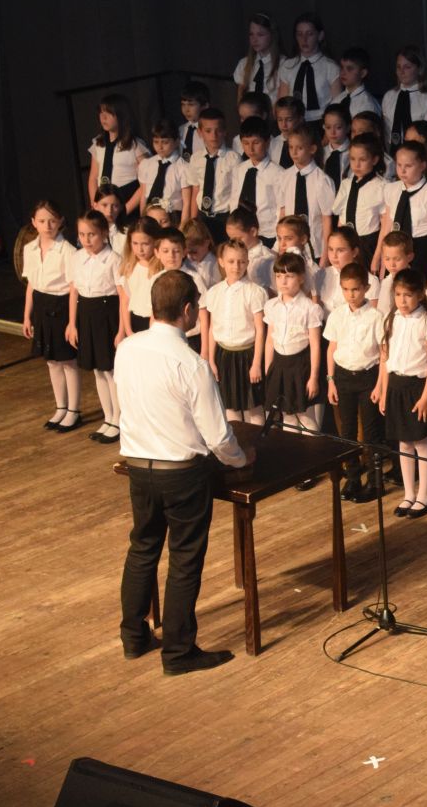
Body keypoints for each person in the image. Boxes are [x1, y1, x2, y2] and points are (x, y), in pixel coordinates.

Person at [116, 269, 250, 675]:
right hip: (181, 473)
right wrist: (242, 459)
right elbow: (218, 436)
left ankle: (134, 637)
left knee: (143, 548)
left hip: (138, 467)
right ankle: (178, 653)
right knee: (184, 559)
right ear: (188, 310)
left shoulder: (127, 349)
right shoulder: (192, 364)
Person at [379, 268, 427, 519]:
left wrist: (426, 397)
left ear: (420, 295)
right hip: (395, 384)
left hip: (417, 387)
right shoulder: (391, 319)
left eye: (407, 295)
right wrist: (384, 390)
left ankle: (424, 496)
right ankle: (409, 493)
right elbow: (385, 358)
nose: (402, 300)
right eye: (398, 295)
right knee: (403, 442)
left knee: (421, 442)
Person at [325, 262, 386, 501]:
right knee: (347, 431)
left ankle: (375, 481)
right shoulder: (337, 315)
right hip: (343, 376)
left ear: (366, 288)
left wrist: (380, 385)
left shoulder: (376, 316)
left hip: (368, 377)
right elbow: (332, 349)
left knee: (371, 432)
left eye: (356, 289)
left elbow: (383, 353)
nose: (351, 295)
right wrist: (331, 380)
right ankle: (352, 478)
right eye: (346, 289)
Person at [21, 200, 81, 432]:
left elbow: (74, 288)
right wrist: (27, 316)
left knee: (67, 361)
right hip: (41, 305)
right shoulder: (30, 249)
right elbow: (30, 285)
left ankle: (74, 410)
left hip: (61, 305)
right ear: (34, 222)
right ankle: (61, 406)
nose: (47, 226)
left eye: (52, 221)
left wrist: (72, 322)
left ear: (61, 222)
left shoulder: (67, 251)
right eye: (42, 221)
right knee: (51, 361)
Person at [69, 209, 123, 443]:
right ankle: (108, 416)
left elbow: (122, 296)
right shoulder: (77, 258)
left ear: (104, 233)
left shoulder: (114, 259)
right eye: (82, 234)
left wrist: (121, 330)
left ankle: (119, 419)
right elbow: (74, 291)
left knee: (110, 370)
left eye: (91, 234)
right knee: (97, 370)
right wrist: (72, 324)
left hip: (107, 314)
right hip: (86, 314)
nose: (86, 239)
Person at [201, 240, 267, 425]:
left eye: (241, 261)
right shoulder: (214, 292)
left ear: (247, 262)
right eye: (231, 261)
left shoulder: (254, 292)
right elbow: (213, 328)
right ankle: (237, 441)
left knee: (253, 406)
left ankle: (257, 441)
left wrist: (256, 364)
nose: (236, 266)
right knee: (230, 407)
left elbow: (260, 330)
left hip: (247, 355)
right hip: (224, 355)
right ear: (221, 262)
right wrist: (212, 360)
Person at [263, 252, 324, 435]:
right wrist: (268, 369)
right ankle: (294, 450)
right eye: (279, 276)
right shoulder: (272, 306)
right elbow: (270, 339)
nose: (283, 281)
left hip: (300, 366)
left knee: (305, 417)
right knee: (287, 416)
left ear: (301, 278)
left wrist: (313, 377)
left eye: (289, 276)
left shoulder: (309, 308)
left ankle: (312, 449)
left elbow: (315, 345)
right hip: (280, 365)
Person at [378, 140, 427, 277]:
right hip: (393, 254)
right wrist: (382, 264)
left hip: (420, 252)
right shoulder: (391, 189)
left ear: (422, 166)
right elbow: (386, 229)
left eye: (408, 166)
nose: (402, 170)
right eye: (399, 165)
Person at [181, 108, 240, 242]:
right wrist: (193, 220)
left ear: (225, 131)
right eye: (208, 131)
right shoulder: (195, 159)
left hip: (224, 217)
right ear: (200, 132)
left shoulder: (234, 159)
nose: (213, 136)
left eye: (218, 130)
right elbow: (196, 189)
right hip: (203, 217)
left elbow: (236, 192)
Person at [278, 125, 336, 256]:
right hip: (289, 248)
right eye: (291, 147)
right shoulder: (284, 177)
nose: (294, 152)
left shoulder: (322, 180)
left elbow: (327, 219)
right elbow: (282, 212)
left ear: (312, 149)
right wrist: (280, 245)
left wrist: (325, 254)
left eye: (299, 148)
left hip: (315, 248)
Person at [331, 132, 387, 268]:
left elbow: (385, 225)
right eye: (352, 159)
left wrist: (377, 256)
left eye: (362, 160)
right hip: (344, 245)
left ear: (374, 160)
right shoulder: (346, 184)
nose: (357, 164)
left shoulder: (381, 186)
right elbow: (341, 218)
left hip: (367, 244)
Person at [88, 94, 148, 216]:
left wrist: (126, 209)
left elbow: (146, 181)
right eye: (101, 112)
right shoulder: (98, 143)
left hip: (126, 201)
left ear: (121, 115)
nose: (103, 117)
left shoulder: (135, 145)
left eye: (109, 113)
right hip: (103, 203)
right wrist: (96, 206)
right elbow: (93, 178)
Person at [278, 12, 339, 128]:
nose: (304, 39)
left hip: (321, 123)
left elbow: (337, 105)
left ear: (320, 36)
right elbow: (282, 102)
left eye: (309, 34)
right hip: (293, 123)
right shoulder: (288, 66)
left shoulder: (331, 67)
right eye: (299, 34)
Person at [382, 45, 427, 150]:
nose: (401, 72)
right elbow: (387, 132)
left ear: (419, 69)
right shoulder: (389, 97)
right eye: (398, 67)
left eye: (407, 67)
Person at [115, 218, 163, 341]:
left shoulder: (162, 268)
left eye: (145, 244)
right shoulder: (129, 267)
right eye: (135, 243)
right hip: (134, 322)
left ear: (156, 242)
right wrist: (127, 330)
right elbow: (125, 301)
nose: (140, 249)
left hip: (157, 324)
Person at [138, 119, 186, 224]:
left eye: (165, 142)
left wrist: (182, 226)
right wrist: (142, 219)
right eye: (156, 142)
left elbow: (187, 202)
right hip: (150, 216)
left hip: (173, 217)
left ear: (176, 141)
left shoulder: (183, 167)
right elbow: (143, 196)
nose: (160, 147)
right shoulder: (147, 164)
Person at [233, 12, 284, 100]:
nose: (254, 40)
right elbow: (240, 99)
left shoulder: (283, 64)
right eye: (251, 34)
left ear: (272, 35)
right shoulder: (244, 64)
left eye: (260, 35)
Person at [329, 47, 381, 118]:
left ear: (363, 73)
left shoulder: (367, 105)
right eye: (342, 67)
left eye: (349, 69)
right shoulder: (337, 100)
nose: (343, 73)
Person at [377, 231, 415, 313]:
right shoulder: (385, 282)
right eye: (387, 259)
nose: (392, 264)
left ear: (409, 257)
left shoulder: (415, 283)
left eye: (397, 259)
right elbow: (381, 310)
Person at [321, 103, 352, 189]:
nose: (332, 132)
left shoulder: (354, 152)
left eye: (338, 127)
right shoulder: (321, 153)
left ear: (348, 127)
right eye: (328, 127)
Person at [178, 81, 209, 162]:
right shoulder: (181, 130)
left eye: (191, 105)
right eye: (183, 104)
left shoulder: (209, 131)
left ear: (205, 106)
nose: (186, 110)